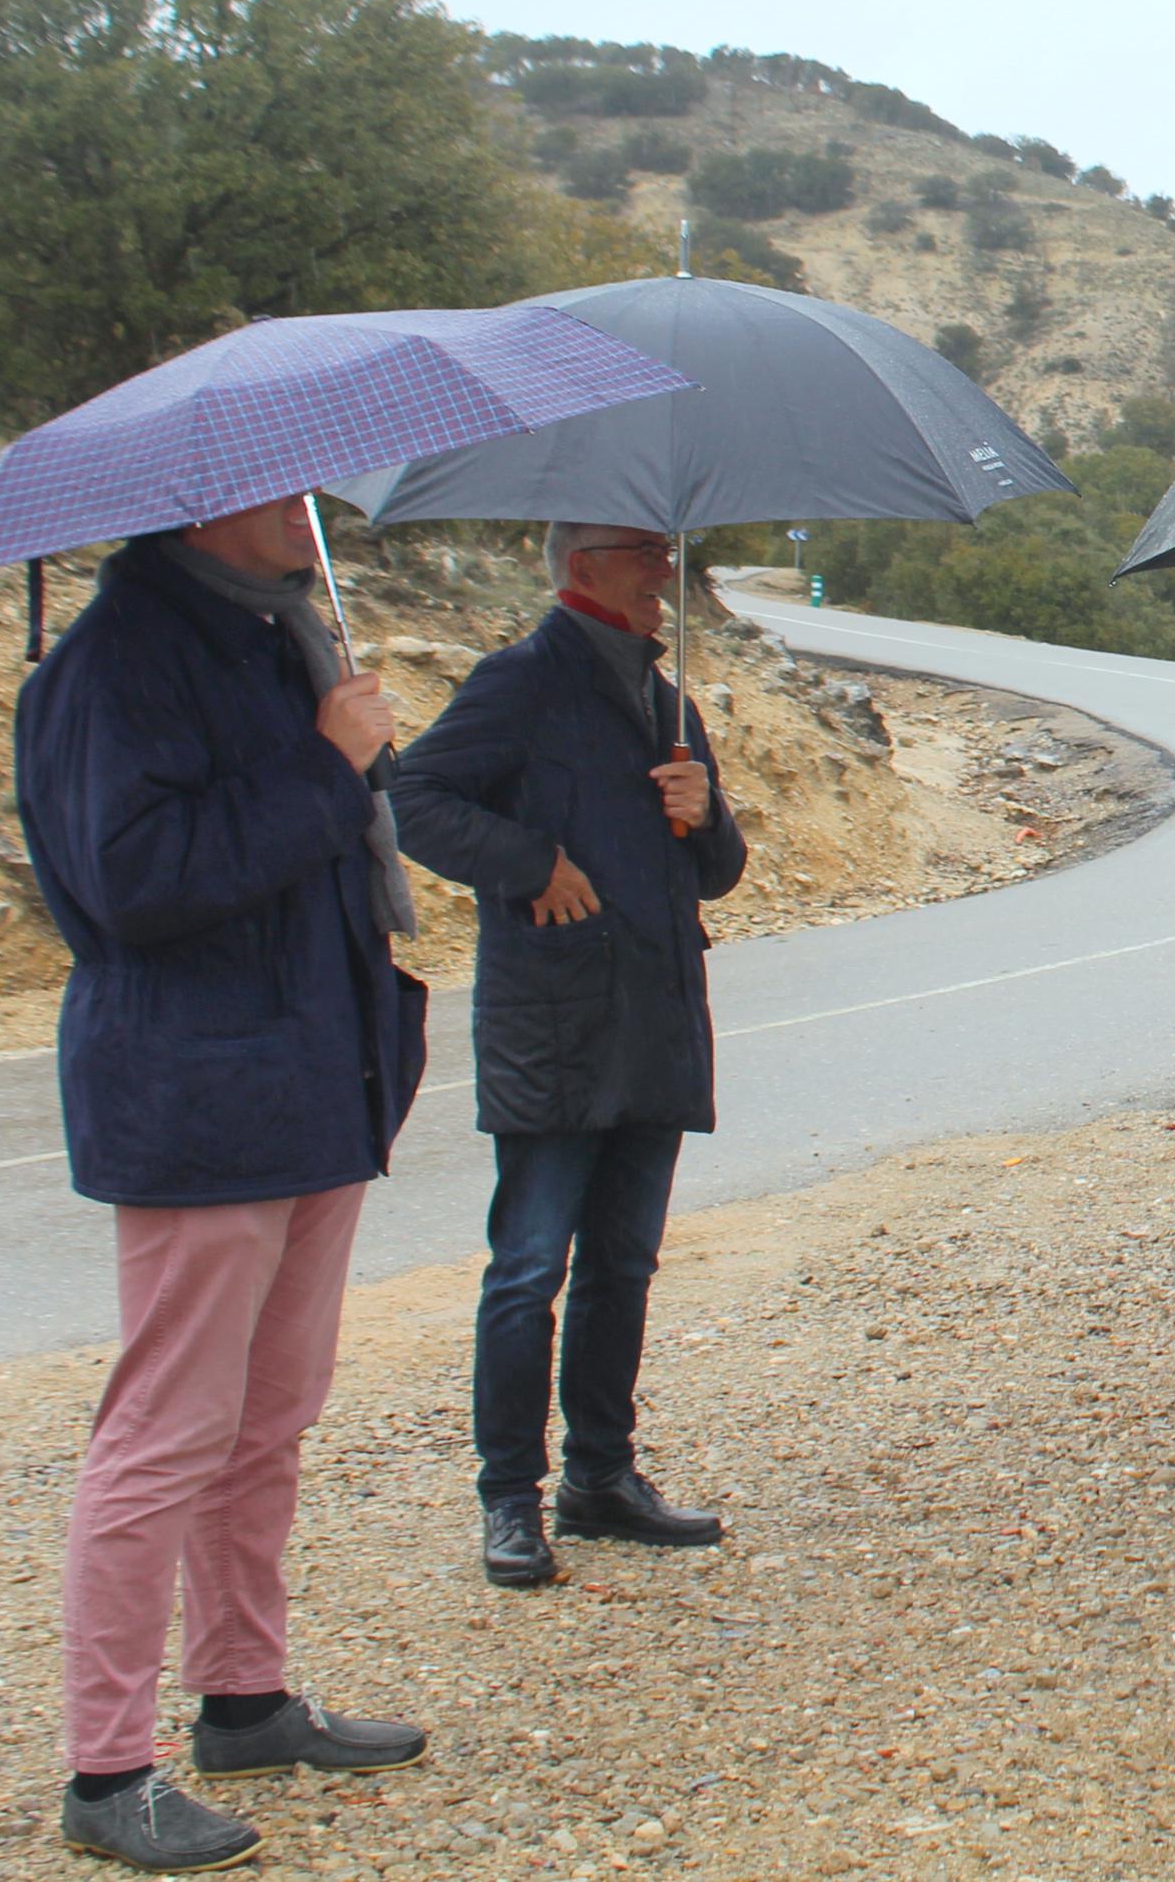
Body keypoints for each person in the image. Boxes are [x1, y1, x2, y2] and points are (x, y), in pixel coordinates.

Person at [19, 496, 433, 1871]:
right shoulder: (114, 663)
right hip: (200, 1090)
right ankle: (106, 1765)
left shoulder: (274, 638)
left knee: (268, 1415)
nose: (313, 509)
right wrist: (324, 765)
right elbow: (130, 880)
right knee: (164, 1432)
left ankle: (244, 1694)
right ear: (204, 503)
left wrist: (339, 754)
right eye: (287, 486)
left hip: (312, 1079)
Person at [391, 523, 749, 1591]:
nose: (662, 572)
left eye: (663, 550)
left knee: (622, 1267)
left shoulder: (667, 699)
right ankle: (509, 1497)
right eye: (640, 551)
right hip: (551, 1023)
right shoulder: (517, 681)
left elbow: (718, 872)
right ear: (579, 563)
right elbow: (413, 800)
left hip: (654, 1015)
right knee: (529, 1268)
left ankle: (599, 1475)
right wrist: (528, 859)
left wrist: (706, 814)